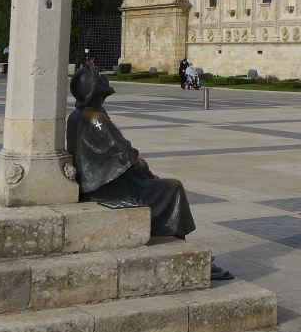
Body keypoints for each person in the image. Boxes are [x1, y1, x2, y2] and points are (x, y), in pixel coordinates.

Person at [67, 61, 231, 280]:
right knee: (173, 188)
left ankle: (181, 252)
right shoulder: (95, 118)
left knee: (159, 185)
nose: (105, 79)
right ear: (95, 88)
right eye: (101, 77)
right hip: (109, 190)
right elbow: (124, 155)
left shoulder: (81, 115)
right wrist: (141, 165)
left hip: (105, 184)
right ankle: (183, 255)